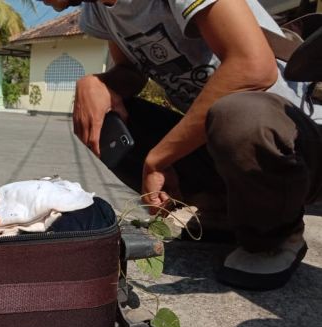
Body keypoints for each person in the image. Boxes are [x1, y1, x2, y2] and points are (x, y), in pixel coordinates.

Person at [41, 0, 322, 290]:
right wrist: (99, 83)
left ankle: (276, 235)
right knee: (100, 115)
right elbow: (131, 72)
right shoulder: (99, 9)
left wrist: (159, 158)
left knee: (237, 114)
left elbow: (254, 68)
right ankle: (223, 211)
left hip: (294, 144)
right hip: (225, 144)